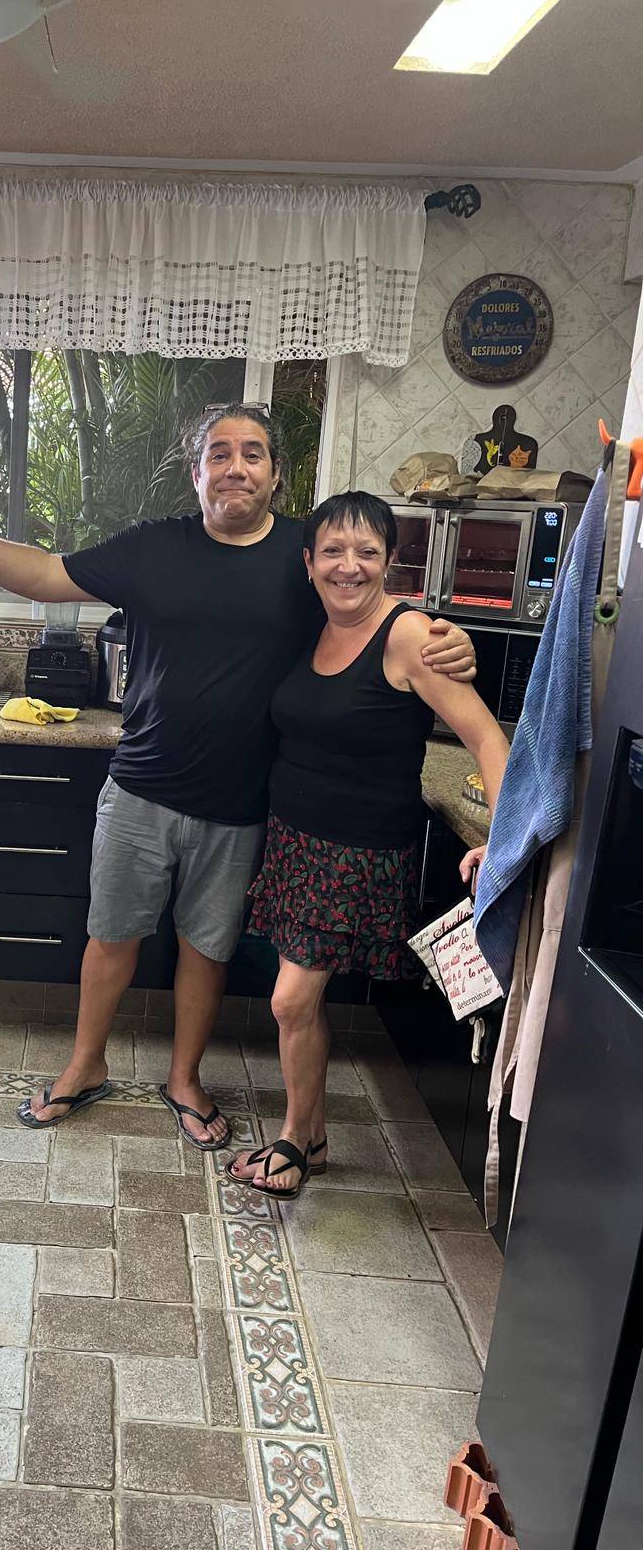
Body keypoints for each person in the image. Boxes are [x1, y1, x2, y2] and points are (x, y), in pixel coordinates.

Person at [0, 405, 476, 1149]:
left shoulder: (304, 556)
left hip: (242, 807)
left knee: (204, 950)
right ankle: (85, 1065)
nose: (235, 467)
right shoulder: (154, 549)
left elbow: (364, 599)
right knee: (110, 936)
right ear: (197, 472)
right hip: (140, 787)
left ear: (275, 473)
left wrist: (443, 633)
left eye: (252, 454)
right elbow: (47, 575)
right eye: (219, 454)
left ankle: (185, 1079)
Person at [225, 489, 509, 1200]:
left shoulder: (410, 636)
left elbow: (488, 737)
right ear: (310, 561)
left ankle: (294, 1139)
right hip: (295, 841)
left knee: (290, 1001)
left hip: (356, 853)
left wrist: (503, 842)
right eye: (332, 551)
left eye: (366, 552)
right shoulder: (314, 627)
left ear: (390, 561)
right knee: (304, 1001)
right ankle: (311, 1135)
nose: (348, 567)